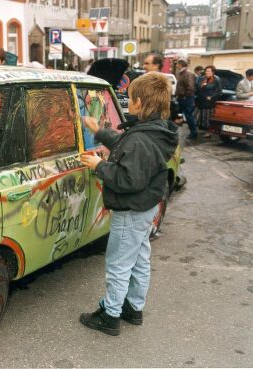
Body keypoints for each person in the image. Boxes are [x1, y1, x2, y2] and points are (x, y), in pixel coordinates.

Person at [78, 72, 178, 336]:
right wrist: (100, 131)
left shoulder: (141, 138)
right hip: (145, 208)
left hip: (130, 209)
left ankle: (110, 316)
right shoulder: (155, 131)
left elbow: (127, 179)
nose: (128, 101)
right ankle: (134, 308)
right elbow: (128, 147)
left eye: (131, 97)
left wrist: (100, 165)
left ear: (141, 103)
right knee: (140, 259)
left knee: (118, 264)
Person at [143, 53, 182, 125]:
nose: (144, 66)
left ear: (156, 65)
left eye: (147, 63)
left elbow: (167, 103)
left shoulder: (162, 81)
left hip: (157, 122)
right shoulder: (144, 79)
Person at [195, 65, 221, 137]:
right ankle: (199, 128)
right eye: (206, 71)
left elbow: (219, 91)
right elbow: (197, 87)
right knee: (197, 116)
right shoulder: (202, 78)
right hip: (200, 99)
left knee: (208, 117)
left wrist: (211, 97)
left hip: (209, 101)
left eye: (209, 71)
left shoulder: (216, 79)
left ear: (213, 72)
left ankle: (209, 131)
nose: (207, 72)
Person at [175, 59, 198, 139]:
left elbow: (190, 87)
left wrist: (185, 96)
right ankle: (177, 132)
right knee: (179, 115)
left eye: (177, 64)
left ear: (181, 65)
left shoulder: (187, 74)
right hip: (181, 98)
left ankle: (194, 133)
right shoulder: (181, 73)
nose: (176, 65)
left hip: (186, 98)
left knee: (188, 116)